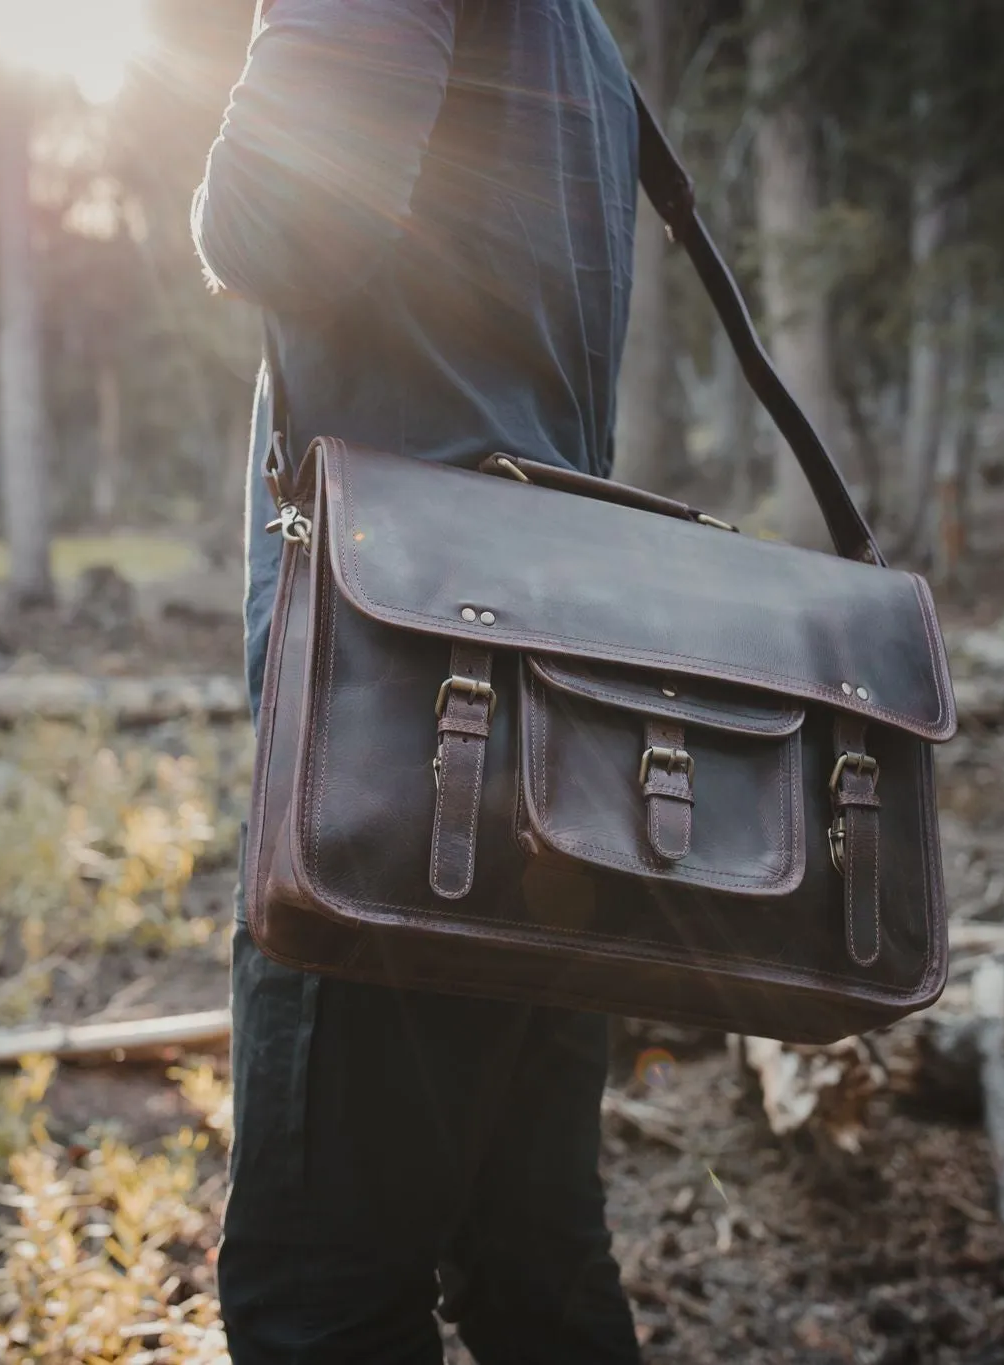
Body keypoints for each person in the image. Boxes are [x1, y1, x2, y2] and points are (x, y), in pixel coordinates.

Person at [192, 2, 644, 1359]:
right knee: (532, 1262)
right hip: (553, 713)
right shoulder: (579, 31)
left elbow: (266, 225)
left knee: (318, 1292)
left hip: (400, 746)